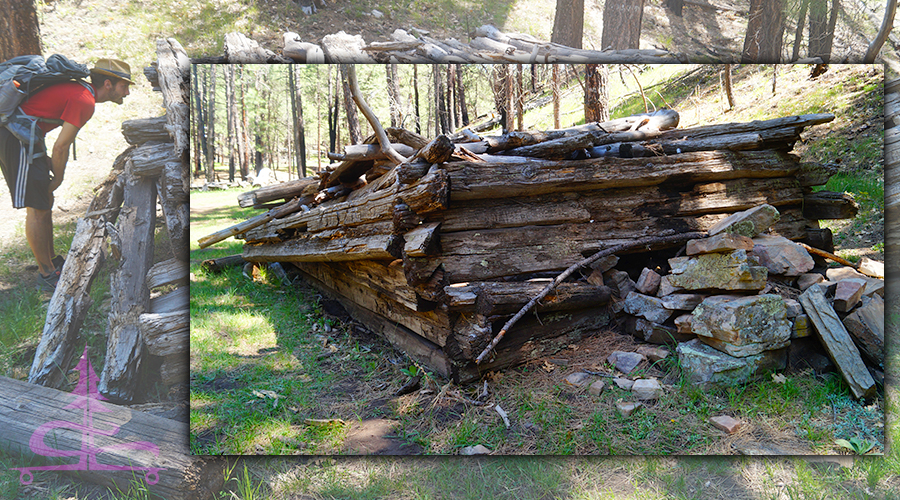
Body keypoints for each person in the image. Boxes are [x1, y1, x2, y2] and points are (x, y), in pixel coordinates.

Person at [0, 58, 134, 291]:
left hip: (26, 139)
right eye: (125, 85)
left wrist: (51, 169)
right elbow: (61, 147)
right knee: (38, 207)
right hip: (15, 139)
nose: (128, 92)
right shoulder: (84, 100)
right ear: (108, 84)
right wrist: (58, 177)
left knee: (45, 201)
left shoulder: (81, 93)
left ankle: (52, 263)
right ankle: (47, 275)